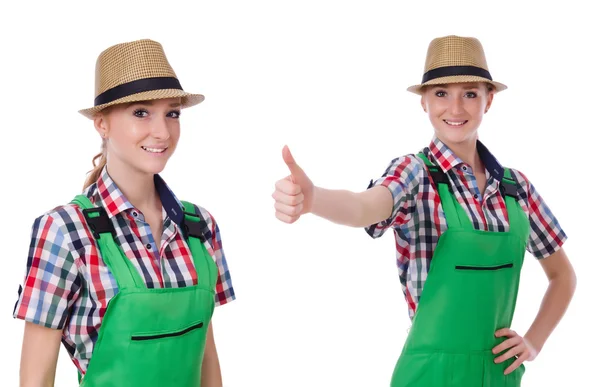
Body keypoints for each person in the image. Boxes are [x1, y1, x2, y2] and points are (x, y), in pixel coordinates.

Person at [272, 35, 576, 386]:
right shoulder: (415, 174)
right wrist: (314, 199)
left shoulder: (515, 187)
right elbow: (364, 206)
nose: (456, 109)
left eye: (470, 94)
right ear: (424, 102)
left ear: (489, 100)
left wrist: (533, 342)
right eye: (442, 94)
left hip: (498, 375)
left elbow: (563, 276)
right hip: (429, 375)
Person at [13, 39, 235, 387]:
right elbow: (35, 379)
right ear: (101, 124)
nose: (162, 132)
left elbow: (206, 358)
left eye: (172, 113)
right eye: (141, 112)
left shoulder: (199, 226)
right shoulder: (65, 231)